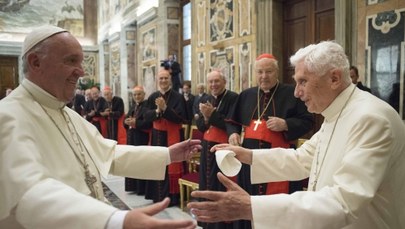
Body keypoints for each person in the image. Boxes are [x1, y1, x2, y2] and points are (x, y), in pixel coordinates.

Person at [188, 41, 405, 229]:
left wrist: (251, 207)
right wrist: (248, 156)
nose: (296, 92)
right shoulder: (335, 113)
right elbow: (302, 159)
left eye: (303, 81)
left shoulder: (371, 118)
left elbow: (343, 202)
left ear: (334, 79)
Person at [0, 25, 200, 229]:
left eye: (81, 62)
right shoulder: (7, 116)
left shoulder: (67, 113)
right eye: (71, 61)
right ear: (35, 62)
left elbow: (106, 153)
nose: (81, 71)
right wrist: (115, 220)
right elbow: (28, 192)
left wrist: (167, 155)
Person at [225, 53, 313, 228]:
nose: (264, 76)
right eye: (260, 72)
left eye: (268, 71)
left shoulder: (291, 93)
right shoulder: (246, 95)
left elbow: (308, 120)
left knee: (278, 206)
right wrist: (233, 133)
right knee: (250, 204)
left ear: (277, 72)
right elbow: (231, 121)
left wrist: (286, 124)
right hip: (248, 164)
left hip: (280, 163)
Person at [195, 69, 238, 229]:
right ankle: (206, 220)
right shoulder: (206, 98)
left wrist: (211, 114)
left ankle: (220, 224)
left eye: (217, 81)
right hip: (207, 148)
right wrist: (206, 118)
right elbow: (199, 126)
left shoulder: (233, 98)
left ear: (224, 82)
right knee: (206, 183)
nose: (213, 85)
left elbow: (230, 123)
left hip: (223, 148)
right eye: (211, 82)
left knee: (220, 184)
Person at [144, 69, 188, 206]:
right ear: (158, 80)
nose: (163, 81)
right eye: (161, 78)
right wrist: (158, 111)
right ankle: (157, 195)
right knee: (158, 163)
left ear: (170, 80)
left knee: (172, 163)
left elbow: (183, 118)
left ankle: (173, 197)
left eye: (166, 78)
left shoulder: (178, 97)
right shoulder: (152, 97)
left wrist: (165, 109)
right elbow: (146, 116)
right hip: (158, 136)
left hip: (173, 135)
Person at [123, 86, 152, 194]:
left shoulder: (147, 107)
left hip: (141, 138)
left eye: (139, 94)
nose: (137, 96)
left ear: (144, 95)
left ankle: (141, 188)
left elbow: (149, 123)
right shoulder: (133, 106)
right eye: (135, 95)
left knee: (140, 162)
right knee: (132, 161)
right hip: (132, 138)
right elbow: (125, 119)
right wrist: (126, 122)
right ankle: (133, 186)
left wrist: (136, 123)